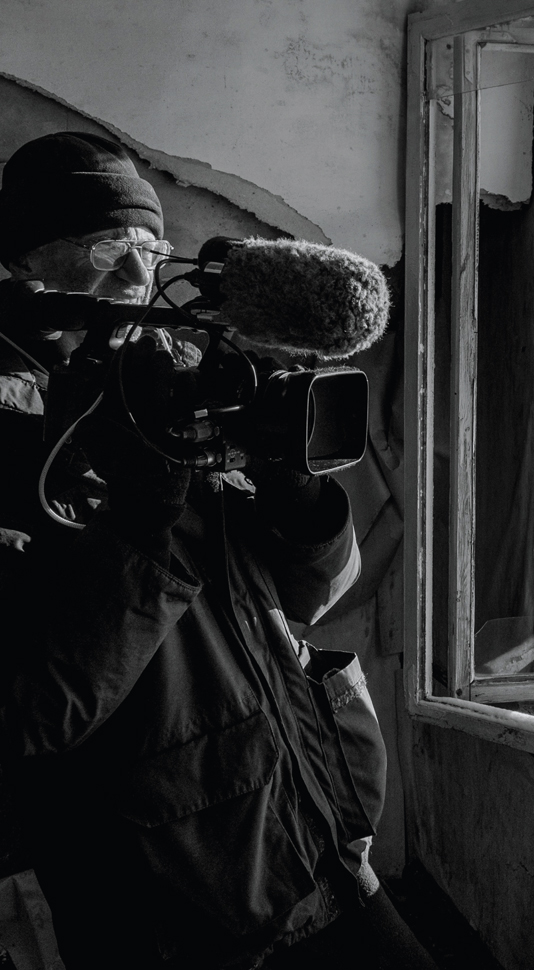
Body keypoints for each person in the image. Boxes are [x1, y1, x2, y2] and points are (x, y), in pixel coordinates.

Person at [0, 132, 437, 970]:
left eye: (151, 249)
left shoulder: (168, 380)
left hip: (316, 845)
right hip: (175, 905)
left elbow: (309, 600)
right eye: (106, 251)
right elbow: (35, 709)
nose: (137, 279)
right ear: (26, 267)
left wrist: (296, 495)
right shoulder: (17, 438)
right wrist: (142, 515)